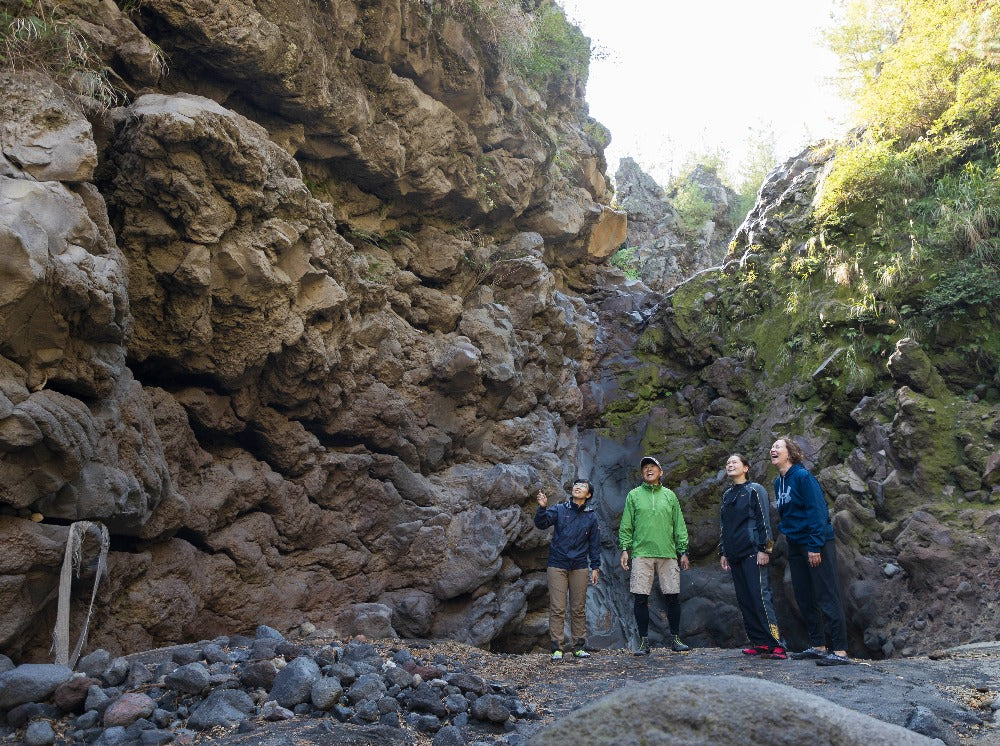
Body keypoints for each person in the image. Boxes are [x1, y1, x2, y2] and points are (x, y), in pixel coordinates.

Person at [770, 437, 851, 666]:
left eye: (778, 446)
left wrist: (814, 545)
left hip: (816, 542)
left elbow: (817, 510)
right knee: (804, 595)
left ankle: (841, 651)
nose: (772, 449)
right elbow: (786, 515)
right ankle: (818, 646)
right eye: (772, 447)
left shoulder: (803, 477)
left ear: (790, 453)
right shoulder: (779, 482)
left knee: (827, 593)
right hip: (795, 544)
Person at [619, 456, 690, 656]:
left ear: (661, 472)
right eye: (645, 468)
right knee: (640, 598)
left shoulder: (670, 495)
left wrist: (683, 551)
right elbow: (626, 524)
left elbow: (679, 524)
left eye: (653, 467)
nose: (649, 470)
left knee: (672, 597)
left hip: (668, 553)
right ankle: (643, 642)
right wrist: (625, 549)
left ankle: (675, 639)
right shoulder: (633, 495)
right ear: (642, 473)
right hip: (641, 553)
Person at [718, 453, 786, 660]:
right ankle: (760, 642)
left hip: (752, 552)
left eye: (734, 462)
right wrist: (723, 551)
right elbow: (724, 525)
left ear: (746, 467)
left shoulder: (755, 490)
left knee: (760, 597)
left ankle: (777, 644)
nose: (730, 464)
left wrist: (765, 548)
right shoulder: (727, 494)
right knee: (745, 599)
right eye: (727, 462)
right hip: (734, 553)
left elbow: (763, 520)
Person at [534, 479, 601, 661]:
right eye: (576, 485)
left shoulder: (591, 516)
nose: (577, 487)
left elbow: (594, 544)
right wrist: (542, 508)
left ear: (588, 495)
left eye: (583, 486)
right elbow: (541, 523)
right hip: (557, 564)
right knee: (557, 607)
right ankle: (557, 647)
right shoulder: (560, 509)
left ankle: (579, 646)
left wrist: (595, 567)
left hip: (579, 566)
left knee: (578, 608)